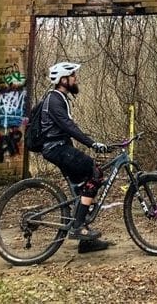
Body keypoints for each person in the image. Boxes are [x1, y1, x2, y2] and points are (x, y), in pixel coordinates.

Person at [40, 61, 110, 254]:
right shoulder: (54, 99)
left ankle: (85, 242)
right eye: (73, 76)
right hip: (56, 148)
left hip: (60, 147)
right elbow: (68, 127)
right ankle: (78, 227)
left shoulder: (60, 97)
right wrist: (91, 143)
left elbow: (69, 127)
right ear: (63, 80)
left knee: (84, 189)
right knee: (95, 173)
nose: (75, 79)